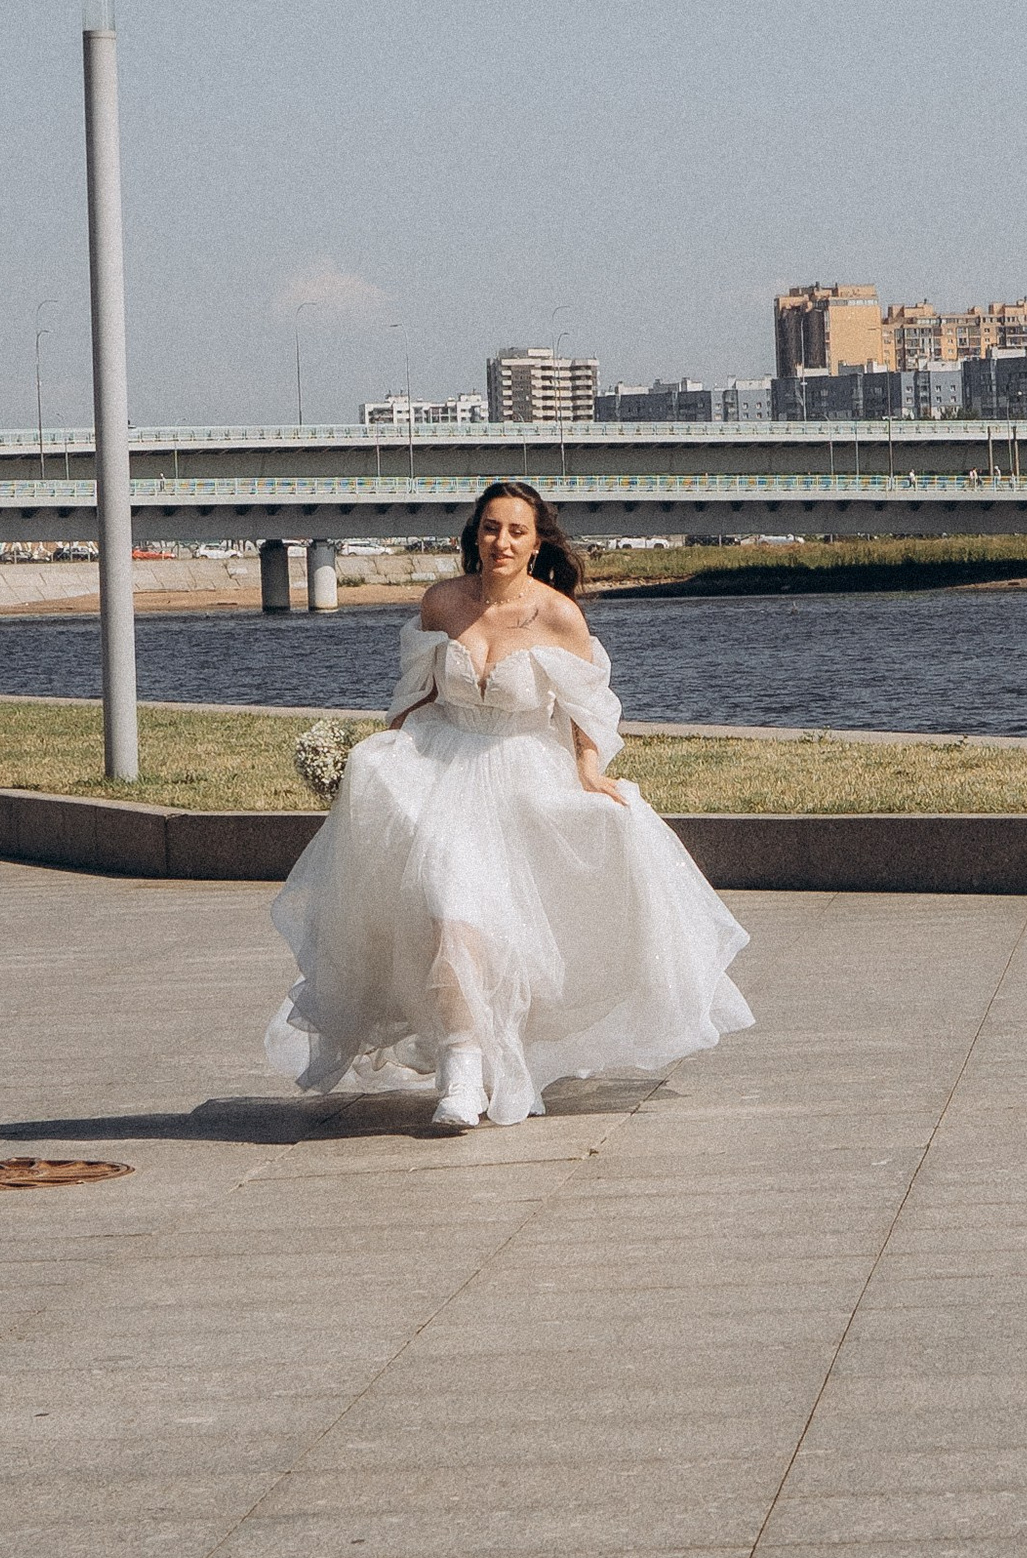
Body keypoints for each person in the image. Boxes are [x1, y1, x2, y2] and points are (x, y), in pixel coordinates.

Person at [266, 481, 752, 1131]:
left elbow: (587, 706)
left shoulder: (557, 615)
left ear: (535, 541)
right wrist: (379, 756)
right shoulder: (443, 603)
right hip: (447, 770)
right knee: (448, 913)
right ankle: (462, 1073)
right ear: (476, 536)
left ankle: (491, 1055)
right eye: (491, 528)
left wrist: (588, 771)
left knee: (495, 931)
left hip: (525, 773)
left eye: (516, 531)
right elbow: (417, 692)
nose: (502, 541)